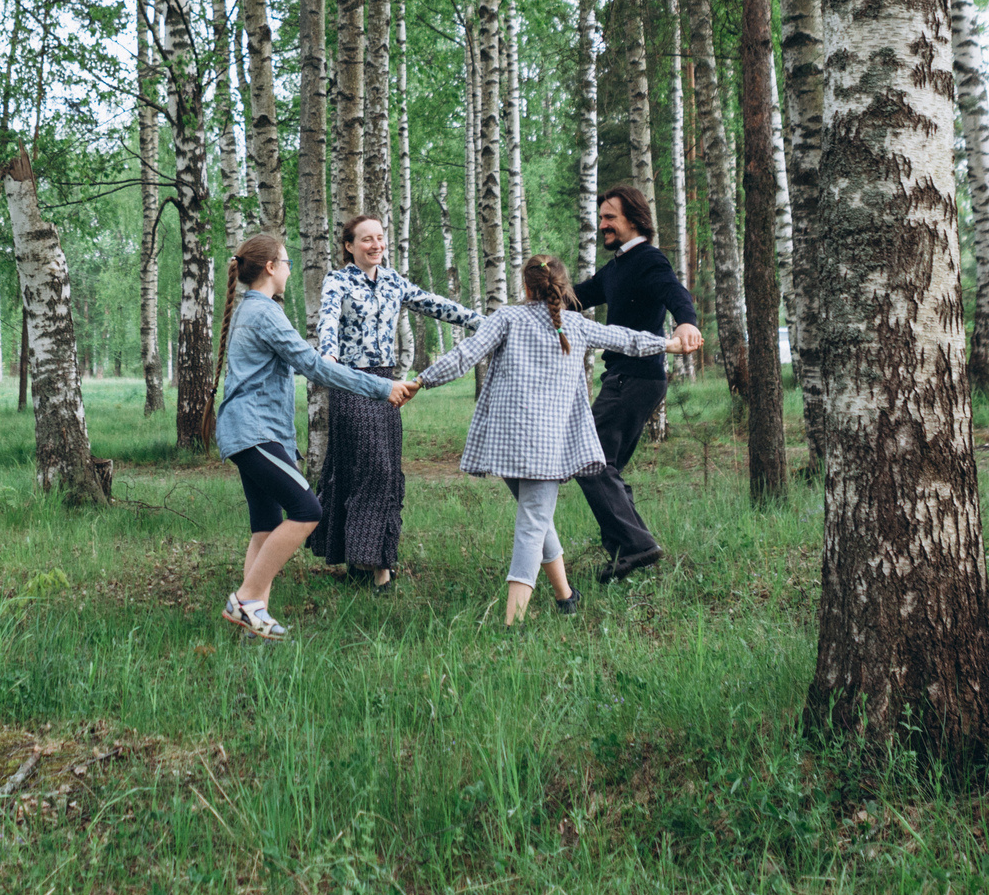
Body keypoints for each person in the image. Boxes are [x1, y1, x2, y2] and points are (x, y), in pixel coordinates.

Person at [410, 255, 670, 623]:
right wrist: (669, 344)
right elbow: (627, 340)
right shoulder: (577, 324)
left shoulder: (507, 318)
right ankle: (510, 624)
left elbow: (465, 355)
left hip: (506, 441)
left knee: (537, 516)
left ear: (526, 286)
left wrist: (421, 381)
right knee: (534, 521)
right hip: (546, 446)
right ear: (564, 288)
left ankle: (566, 596)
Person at [214, 232, 419, 640]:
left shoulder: (249, 309)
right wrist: (383, 387)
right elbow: (314, 365)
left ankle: (254, 617)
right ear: (271, 267)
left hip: (250, 431)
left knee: (266, 525)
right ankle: (246, 599)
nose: (289, 269)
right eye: (286, 262)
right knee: (308, 509)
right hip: (254, 432)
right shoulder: (264, 312)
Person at [312, 213, 484, 591]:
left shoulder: (392, 281)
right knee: (370, 468)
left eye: (380, 238)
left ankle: (364, 559)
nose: (376, 245)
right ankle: (377, 568)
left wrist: (483, 322)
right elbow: (327, 321)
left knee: (381, 468)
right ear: (349, 245)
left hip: (387, 382)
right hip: (351, 382)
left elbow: (434, 304)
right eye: (366, 240)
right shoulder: (337, 280)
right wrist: (327, 357)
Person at [571, 185, 704, 582]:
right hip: (623, 377)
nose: (603, 224)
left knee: (588, 459)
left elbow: (673, 291)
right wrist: (539, 298)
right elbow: (577, 297)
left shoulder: (648, 259)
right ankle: (624, 556)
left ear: (634, 218)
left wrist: (687, 320)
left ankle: (636, 545)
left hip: (637, 377)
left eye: (610, 217)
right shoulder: (616, 268)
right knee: (604, 464)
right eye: (602, 217)